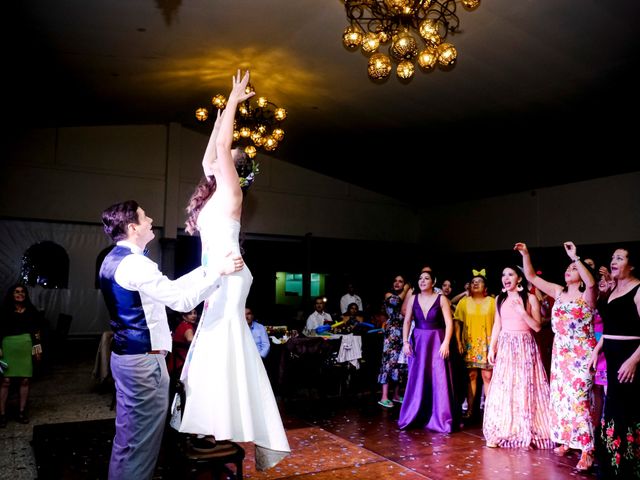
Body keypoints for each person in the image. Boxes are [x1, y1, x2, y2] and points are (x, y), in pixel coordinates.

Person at [178, 70, 290, 470]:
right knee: (214, 341)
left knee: (219, 341)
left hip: (229, 277)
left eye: (236, 157)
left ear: (237, 172)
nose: (232, 153)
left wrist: (234, 100)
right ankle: (213, 421)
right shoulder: (216, 191)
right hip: (222, 275)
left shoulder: (232, 192)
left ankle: (219, 421)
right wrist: (226, 107)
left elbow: (222, 146)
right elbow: (210, 155)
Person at [99, 200, 243, 480]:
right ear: (132, 227)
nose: (151, 219)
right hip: (144, 362)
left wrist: (208, 269)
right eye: (144, 217)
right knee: (142, 442)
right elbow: (180, 300)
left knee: (127, 438)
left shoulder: (112, 259)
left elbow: (170, 288)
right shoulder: (136, 264)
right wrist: (219, 272)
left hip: (125, 357)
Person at [516, 241, 597, 471]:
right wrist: (526, 253)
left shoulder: (589, 294)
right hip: (561, 352)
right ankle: (568, 440)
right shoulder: (558, 291)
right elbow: (531, 276)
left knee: (580, 400)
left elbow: (590, 281)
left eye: (573, 269)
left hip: (581, 353)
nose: (568, 270)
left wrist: (575, 258)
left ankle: (587, 449)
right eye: (568, 268)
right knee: (562, 399)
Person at [482, 265, 553, 450]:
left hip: (523, 345)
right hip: (506, 346)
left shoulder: (530, 298)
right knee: (504, 388)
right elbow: (497, 324)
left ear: (519, 278)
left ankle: (524, 428)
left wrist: (523, 312)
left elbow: (537, 327)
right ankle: (503, 429)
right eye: (503, 274)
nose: (506, 277)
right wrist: (492, 348)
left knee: (523, 386)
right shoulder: (500, 298)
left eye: (511, 274)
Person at [590, 246, 640, 478]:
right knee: (612, 410)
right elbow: (609, 329)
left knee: (628, 411)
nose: (613, 261)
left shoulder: (638, 289)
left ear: (632, 265)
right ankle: (613, 464)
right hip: (611, 357)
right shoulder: (613, 291)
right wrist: (596, 350)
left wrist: (633, 361)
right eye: (613, 257)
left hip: (629, 359)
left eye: (620, 258)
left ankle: (630, 467)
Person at [398, 270, 455, 433]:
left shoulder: (441, 299)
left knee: (439, 378)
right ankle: (416, 415)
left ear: (434, 281)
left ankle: (440, 418)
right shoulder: (413, 299)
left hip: (437, 339)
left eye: (426, 278)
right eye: (420, 278)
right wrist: (405, 342)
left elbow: (449, 323)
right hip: (419, 341)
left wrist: (445, 343)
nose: (422, 281)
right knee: (418, 377)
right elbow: (407, 321)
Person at [453, 271, 495, 422]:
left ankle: (490, 411)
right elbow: (457, 321)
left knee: (487, 376)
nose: (475, 283)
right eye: (473, 282)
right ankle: (470, 409)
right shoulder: (464, 302)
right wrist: (458, 341)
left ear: (486, 287)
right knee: (471, 376)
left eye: (479, 281)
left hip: (488, 345)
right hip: (470, 344)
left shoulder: (492, 302)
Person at [0, 284, 43, 427]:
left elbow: (37, 331)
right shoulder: (4, 311)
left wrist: (37, 348)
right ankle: (2, 414)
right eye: (17, 292)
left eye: (23, 292)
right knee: (5, 381)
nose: (20, 294)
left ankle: (22, 412)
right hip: (8, 347)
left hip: (25, 347)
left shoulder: (31, 311)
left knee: (25, 380)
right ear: (12, 294)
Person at [378, 275, 409, 408]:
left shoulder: (407, 296)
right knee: (388, 364)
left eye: (401, 281)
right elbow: (395, 302)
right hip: (391, 332)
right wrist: (406, 289)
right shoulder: (388, 294)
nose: (397, 283)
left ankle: (396, 395)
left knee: (400, 364)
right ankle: (384, 396)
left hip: (403, 331)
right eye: (395, 281)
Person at [167, 308, 199, 376]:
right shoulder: (187, 327)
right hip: (182, 364)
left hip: (174, 363)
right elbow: (192, 341)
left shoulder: (182, 325)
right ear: (184, 316)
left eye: (195, 313)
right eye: (190, 314)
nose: (194, 316)